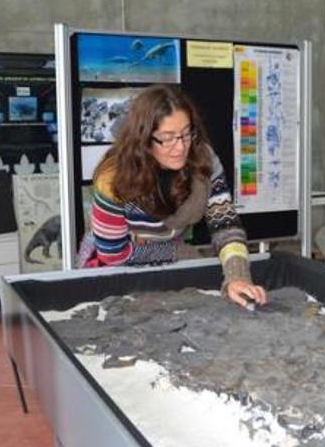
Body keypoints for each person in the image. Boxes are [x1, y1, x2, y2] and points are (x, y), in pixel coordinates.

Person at [80, 84, 267, 308]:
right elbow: (113, 254)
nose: (180, 147)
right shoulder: (114, 179)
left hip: (168, 263)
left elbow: (224, 224)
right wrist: (175, 251)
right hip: (113, 271)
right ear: (144, 139)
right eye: (167, 138)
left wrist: (237, 276)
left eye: (186, 133)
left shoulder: (204, 160)